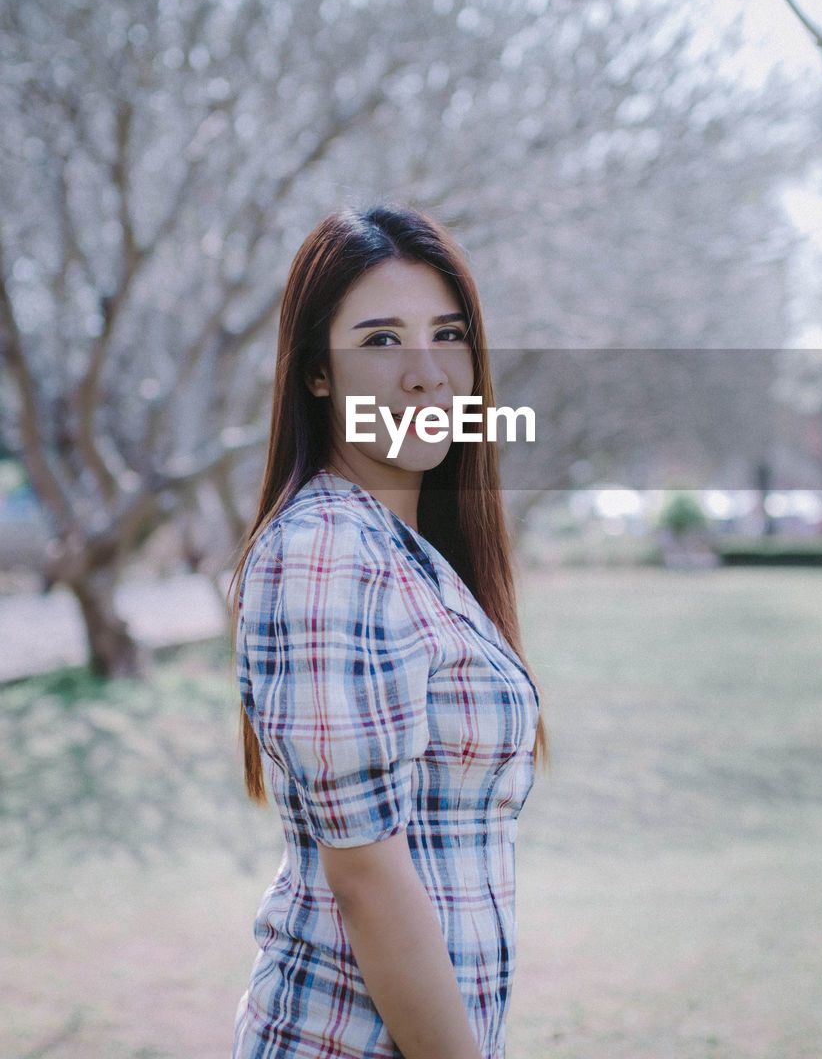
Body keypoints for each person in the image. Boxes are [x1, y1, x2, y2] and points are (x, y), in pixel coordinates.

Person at [231, 204, 545, 1059]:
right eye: (379, 340)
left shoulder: (408, 555)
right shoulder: (329, 551)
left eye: (447, 333)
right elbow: (367, 877)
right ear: (316, 375)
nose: (425, 372)